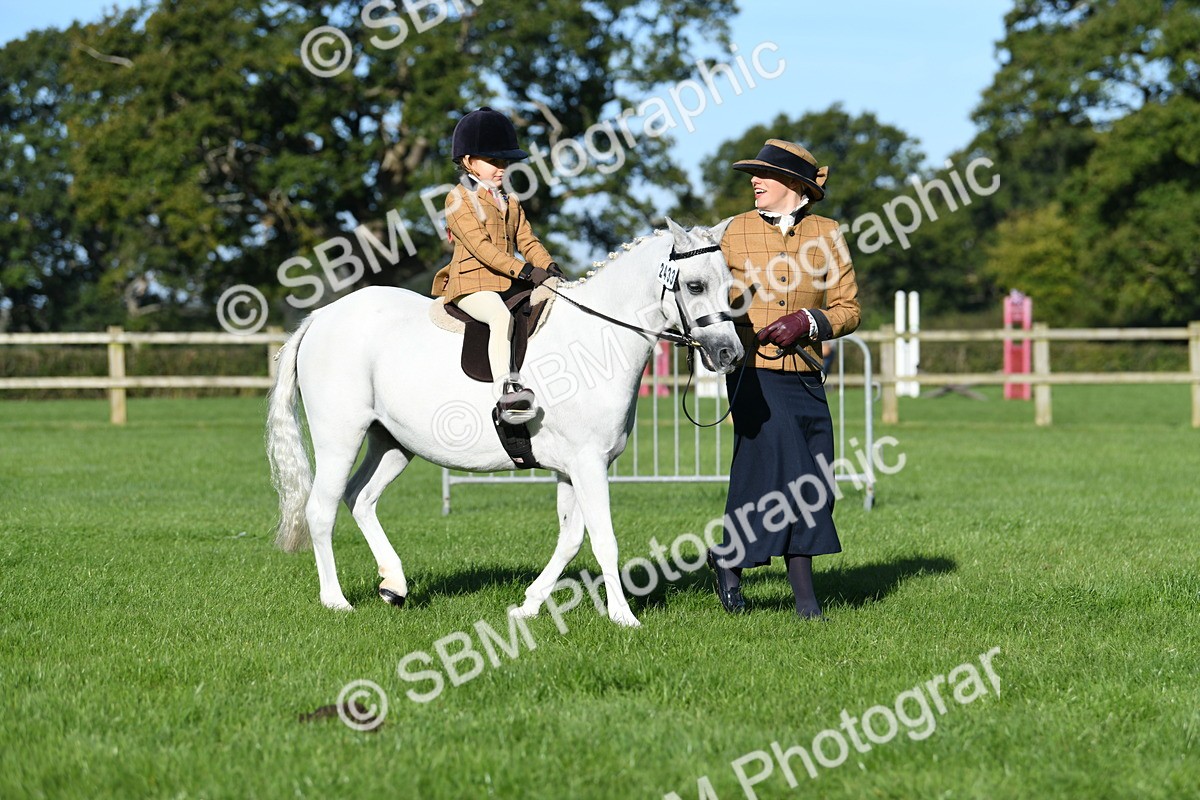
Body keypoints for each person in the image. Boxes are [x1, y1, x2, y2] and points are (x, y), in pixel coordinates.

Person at [709, 139, 861, 618]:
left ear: (794, 185)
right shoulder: (732, 232)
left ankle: (727, 558)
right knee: (796, 473)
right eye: (752, 175)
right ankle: (807, 602)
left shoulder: (828, 233)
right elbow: (708, 296)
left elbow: (850, 308)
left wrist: (810, 322)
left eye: (764, 175)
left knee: (806, 478)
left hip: (808, 377)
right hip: (753, 373)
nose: (754, 181)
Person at [431, 107, 563, 424]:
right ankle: (506, 395)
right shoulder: (457, 199)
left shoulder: (510, 201)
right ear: (467, 162)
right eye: (493, 162)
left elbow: (527, 240)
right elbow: (482, 248)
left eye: (504, 162)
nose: (501, 169)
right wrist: (525, 271)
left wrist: (549, 265)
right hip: (471, 285)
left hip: (506, 281)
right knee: (499, 317)